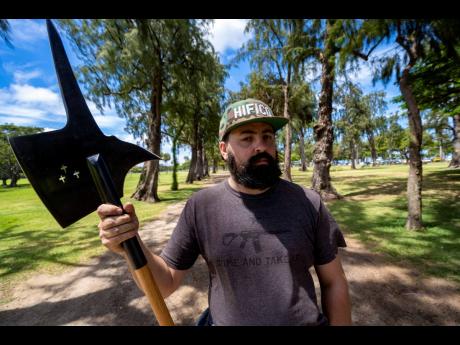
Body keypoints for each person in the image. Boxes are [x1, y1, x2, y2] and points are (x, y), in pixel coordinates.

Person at [97, 98, 352, 326]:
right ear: (223, 150)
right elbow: (164, 284)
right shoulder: (201, 206)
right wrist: (131, 243)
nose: (260, 146)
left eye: (267, 137)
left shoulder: (308, 202)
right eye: (247, 138)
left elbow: (334, 282)